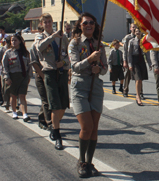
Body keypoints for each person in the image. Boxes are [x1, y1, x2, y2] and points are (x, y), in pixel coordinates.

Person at [68, 12, 107, 177]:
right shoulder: (74, 44)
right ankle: (81, 161)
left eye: (91, 22)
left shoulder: (100, 45)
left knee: (94, 129)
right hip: (80, 87)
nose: (89, 25)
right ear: (80, 26)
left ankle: (90, 163)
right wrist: (90, 59)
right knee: (87, 127)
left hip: (96, 87)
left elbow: (105, 69)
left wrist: (100, 69)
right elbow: (75, 66)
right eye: (85, 23)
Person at [34, 13, 70, 150]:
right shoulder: (40, 37)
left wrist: (64, 62)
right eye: (45, 22)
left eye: (50, 21)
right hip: (49, 72)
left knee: (64, 104)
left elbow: (69, 54)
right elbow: (39, 48)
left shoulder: (62, 37)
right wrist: (52, 37)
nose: (48, 24)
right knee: (54, 105)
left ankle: (55, 126)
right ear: (42, 24)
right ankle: (57, 133)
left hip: (61, 72)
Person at [3, 33, 32, 122]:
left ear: (20, 41)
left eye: (15, 40)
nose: (13, 42)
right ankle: (14, 112)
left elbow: (29, 65)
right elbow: (5, 66)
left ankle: (25, 114)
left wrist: (29, 76)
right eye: (12, 40)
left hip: (23, 76)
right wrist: (7, 77)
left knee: (22, 95)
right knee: (13, 95)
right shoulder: (8, 53)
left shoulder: (25, 53)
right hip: (13, 76)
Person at [30, 25, 52, 130]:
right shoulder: (34, 47)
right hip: (40, 75)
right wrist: (42, 76)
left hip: (49, 74)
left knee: (48, 99)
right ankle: (49, 123)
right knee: (45, 100)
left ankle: (42, 118)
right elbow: (35, 64)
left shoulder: (48, 45)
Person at [128, 27, 149, 106]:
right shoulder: (132, 41)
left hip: (141, 61)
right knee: (138, 79)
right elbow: (129, 54)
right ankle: (138, 96)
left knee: (141, 79)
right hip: (135, 60)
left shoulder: (144, 41)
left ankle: (139, 94)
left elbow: (147, 53)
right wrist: (130, 64)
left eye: (139, 31)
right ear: (134, 32)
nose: (138, 32)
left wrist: (150, 63)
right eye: (136, 31)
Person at [0, 35, 11, 107]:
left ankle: (10, 101)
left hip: (10, 70)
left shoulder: (13, 49)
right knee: (1, 87)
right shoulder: (2, 49)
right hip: (1, 70)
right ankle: (2, 100)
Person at [122, 23, 136, 98]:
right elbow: (125, 50)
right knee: (128, 75)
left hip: (136, 58)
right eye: (133, 27)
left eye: (135, 27)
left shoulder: (139, 37)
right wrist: (124, 61)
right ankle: (125, 90)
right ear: (130, 28)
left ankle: (140, 92)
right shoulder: (128, 37)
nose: (134, 29)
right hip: (128, 58)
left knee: (139, 76)